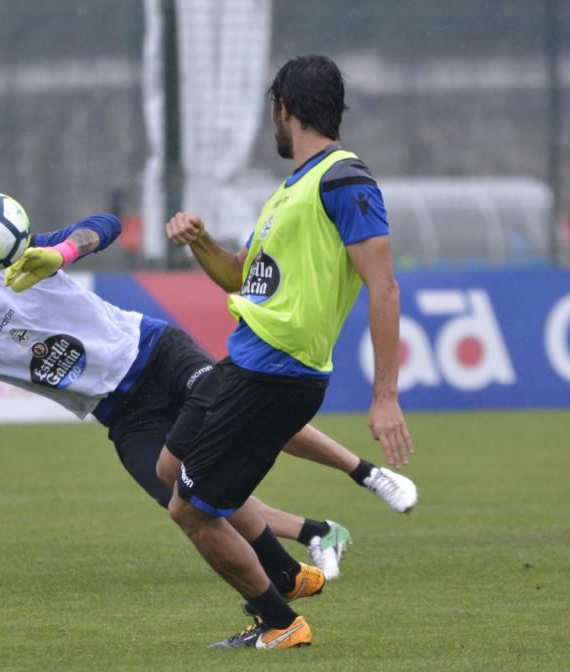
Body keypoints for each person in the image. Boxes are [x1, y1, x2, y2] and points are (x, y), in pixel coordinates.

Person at [0, 212, 416, 592]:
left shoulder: (23, 259)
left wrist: (62, 251)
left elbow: (107, 225)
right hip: (121, 412)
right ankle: (308, 550)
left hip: (156, 353)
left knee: (241, 416)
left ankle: (364, 474)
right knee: (190, 499)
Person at [161, 54, 415, 649]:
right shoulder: (288, 192)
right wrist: (199, 241)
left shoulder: (344, 180)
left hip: (276, 374)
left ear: (285, 109)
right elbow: (239, 277)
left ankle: (280, 622)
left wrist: (386, 397)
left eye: (272, 111)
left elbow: (384, 286)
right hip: (244, 360)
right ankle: (292, 570)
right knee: (171, 469)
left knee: (191, 509)